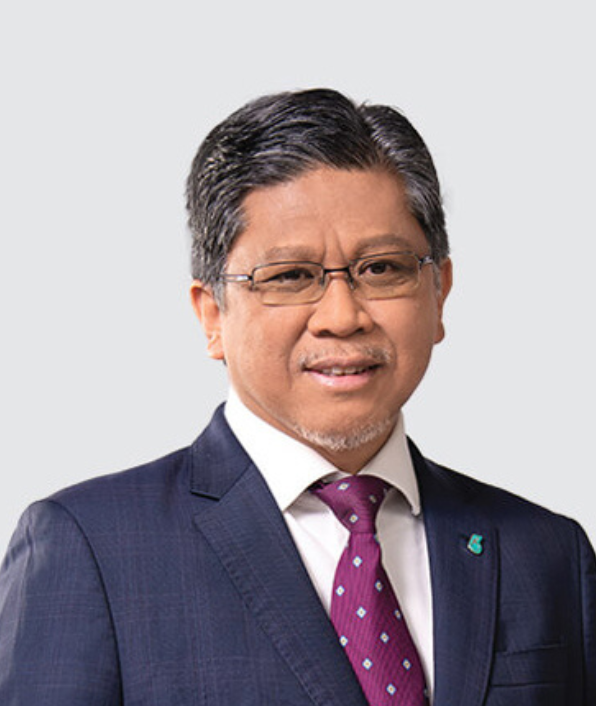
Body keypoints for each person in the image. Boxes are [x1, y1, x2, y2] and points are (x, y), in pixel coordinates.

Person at [0, 88, 594, 705]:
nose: (342, 317)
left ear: (439, 293)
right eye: (289, 276)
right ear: (212, 315)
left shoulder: (546, 553)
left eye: (382, 269)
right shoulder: (90, 547)